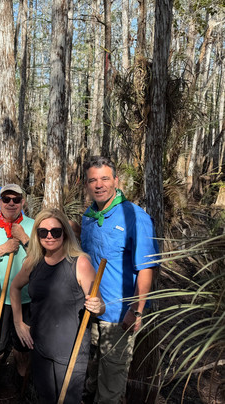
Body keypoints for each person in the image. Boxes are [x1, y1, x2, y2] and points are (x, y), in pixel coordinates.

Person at [80, 156, 159, 404]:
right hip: (91, 310)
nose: (99, 185)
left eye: (105, 179)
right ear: (86, 184)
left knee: (111, 384)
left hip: (118, 316)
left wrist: (135, 311)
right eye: (92, 180)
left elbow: (146, 268)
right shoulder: (89, 215)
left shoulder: (135, 217)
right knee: (92, 373)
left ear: (116, 180)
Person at [10, 208, 105, 403]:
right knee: (45, 398)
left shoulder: (80, 263)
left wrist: (98, 306)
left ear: (65, 233)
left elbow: (99, 304)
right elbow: (14, 287)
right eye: (43, 232)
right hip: (40, 347)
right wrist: (18, 323)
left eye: (56, 231)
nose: (49, 236)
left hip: (70, 351)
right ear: (37, 235)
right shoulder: (33, 262)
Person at [0, 184, 34, 378]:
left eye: (16, 199)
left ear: (22, 202)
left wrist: (24, 238)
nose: (11, 203)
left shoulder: (33, 225)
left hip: (25, 297)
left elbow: (44, 257)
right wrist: (2, 249)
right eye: (6, 199)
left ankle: (21, 383)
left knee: (23, 348)